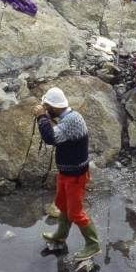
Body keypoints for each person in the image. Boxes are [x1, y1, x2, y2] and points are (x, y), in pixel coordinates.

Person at [33, 87, 100, 261]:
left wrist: (41, 117)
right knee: (62, 204)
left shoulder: (72, 120)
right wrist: (45, 117)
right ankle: (61, 234)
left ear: (54, 107)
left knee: (75, 212)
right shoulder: (66, 117)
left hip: (76, 176)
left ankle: (93, 244)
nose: (46, 110)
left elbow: (50, 138)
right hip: (66, 172)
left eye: (47, 107)